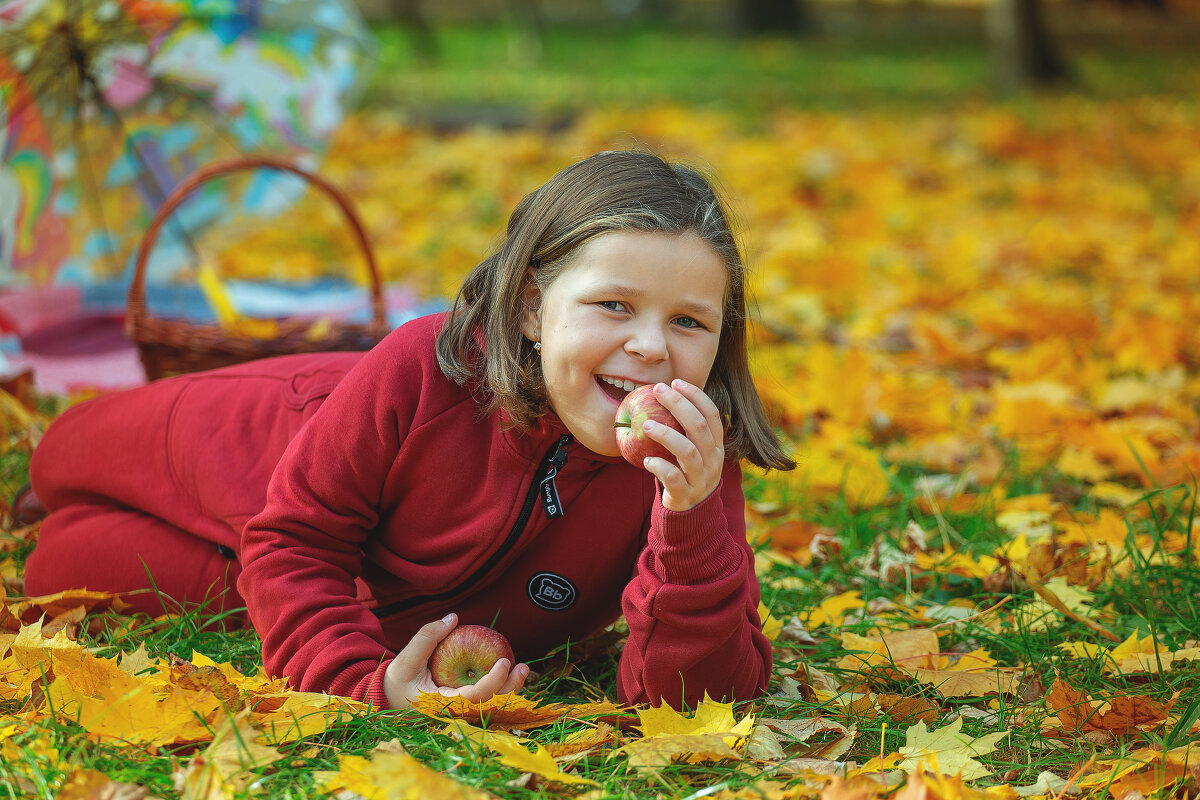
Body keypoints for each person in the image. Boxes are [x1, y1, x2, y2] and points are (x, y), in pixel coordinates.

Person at [23, 150, 795, 711]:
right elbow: (299, 537)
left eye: (688, 321)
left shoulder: (688, 463)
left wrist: (689, 524)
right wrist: (359, 683)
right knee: (61, 460)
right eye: (615, 306)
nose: (652, 346)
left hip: (345, 577)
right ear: (532, 308)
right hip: (267, 443)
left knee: (58, 562)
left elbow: (694, 699)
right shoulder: (423, 370)